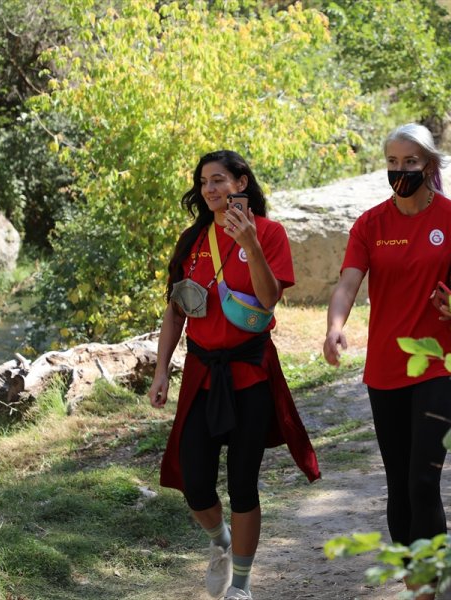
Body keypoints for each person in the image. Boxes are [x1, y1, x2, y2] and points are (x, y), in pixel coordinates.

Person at [323, 124, 451, 599]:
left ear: (430, 166)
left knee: (425, 477)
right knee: (399, 482)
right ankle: (411, 568)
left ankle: (430, 585)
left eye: (410, 163)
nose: (400, 171)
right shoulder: (370, 224)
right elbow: (348, 283)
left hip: (443, 362)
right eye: (393, 162)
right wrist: (335, 326)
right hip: (385, 367)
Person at [149, 150, 320, 600]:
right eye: (204, 181)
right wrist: (162, 369)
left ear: (241, 183)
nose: (210, 189)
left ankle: (241, 586)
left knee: (243, 481)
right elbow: (176, 311)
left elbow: (266, 301)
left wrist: (252, 246)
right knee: (195, 480)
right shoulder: (192, 240)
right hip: (202, 373)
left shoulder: (270, 233)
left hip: (250, 372)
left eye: (220, 179)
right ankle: (221, 542)